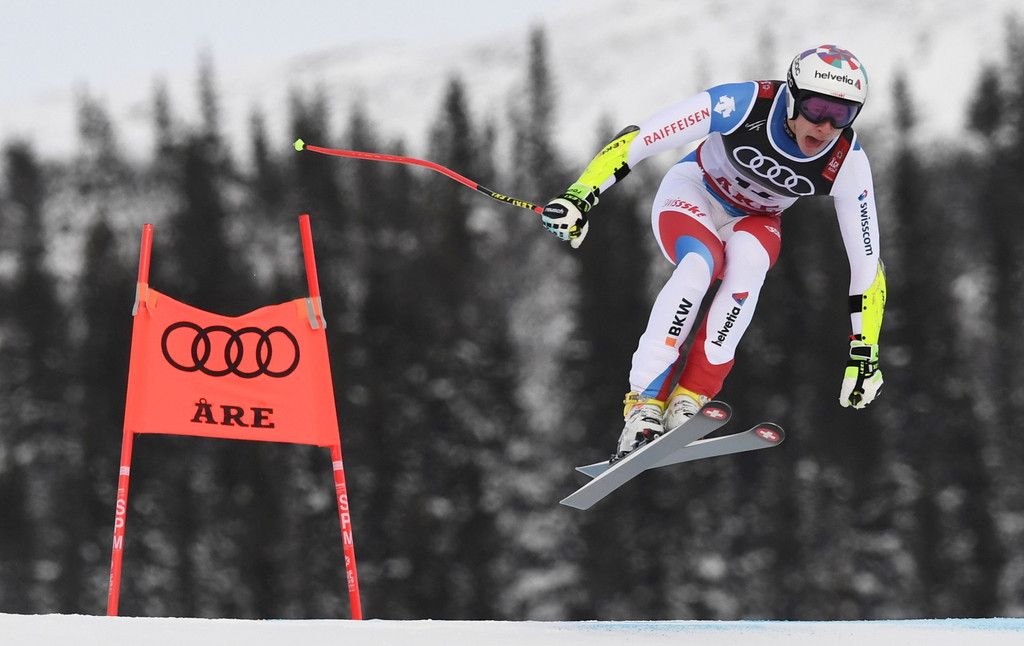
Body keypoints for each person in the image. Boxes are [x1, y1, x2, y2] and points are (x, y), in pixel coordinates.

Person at [541, 44, 886, 461]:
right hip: (694, 193)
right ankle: (644, 403)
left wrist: (865, 353)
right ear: (793, 96)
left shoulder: (847, 161)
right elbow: (641, 138)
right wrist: (581, 194)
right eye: (816, 109)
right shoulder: (743, 104)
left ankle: (690, 398)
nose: (826, 126)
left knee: (750, 265)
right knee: (700, 264)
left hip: (757, 219)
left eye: (842, 114)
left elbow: (867, 264)